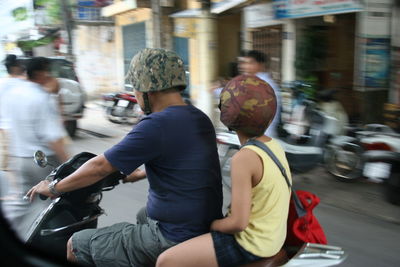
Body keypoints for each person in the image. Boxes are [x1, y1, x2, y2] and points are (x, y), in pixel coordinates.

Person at [26, 48, 223, 267]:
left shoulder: (156, 124)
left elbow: (100, 166)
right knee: (142, 214)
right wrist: (140, 173)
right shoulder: (199, 117)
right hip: (200, 222)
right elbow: (186, 162)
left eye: (136, 87)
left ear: (147, 88)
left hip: (172, 234)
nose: (136, 94)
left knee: (77, 243)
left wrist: (53, 187)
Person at [156, 75, 292, 267]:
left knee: (165, 261)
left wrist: (212, 225)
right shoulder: (275, 146)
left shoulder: (244, 158)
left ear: (229, 113)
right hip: (272, 238)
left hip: (250, 244)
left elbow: (238, 222)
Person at [0, 57, 69, 238]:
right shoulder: (40, 97)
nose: (50, 76)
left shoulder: (15, 93)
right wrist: (69, 163)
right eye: (47, 72)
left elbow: (6, 126)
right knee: (56, 200)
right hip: (43, 161)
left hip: (20, 159)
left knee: (21, 203)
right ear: (40, 73)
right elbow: (53, 137)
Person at [241, 50, 282, 137]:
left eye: (250, 63)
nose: (246, 66)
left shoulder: (263, 83)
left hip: (262, 133)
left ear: (261, 65)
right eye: (245, 63)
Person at [0, 55, 25, 171]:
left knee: (6, 163)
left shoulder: (2, 83)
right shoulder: (23, 84)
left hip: (5, 128)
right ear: (15, 67)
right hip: (19, 127)